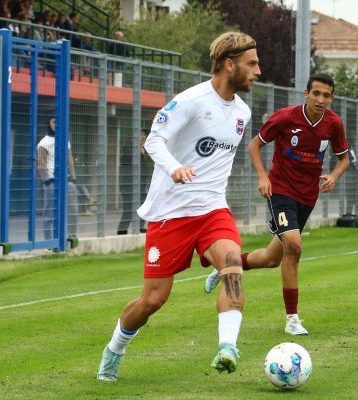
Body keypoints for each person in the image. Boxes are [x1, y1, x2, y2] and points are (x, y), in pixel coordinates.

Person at [96, 31, 260, 381]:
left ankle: (227, 348)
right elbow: (154, 140)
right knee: (153, 300)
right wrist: (175, 168)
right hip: (170, 214)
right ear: (229, 64)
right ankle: (115, 349)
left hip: (214, 210)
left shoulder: (243, 112)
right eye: (252, 63)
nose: (258, 71)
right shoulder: (191, 100)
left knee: (233, 266)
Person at [204, 73, 350, 336]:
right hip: (280, 190)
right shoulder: (285, 117)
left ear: (331, 98)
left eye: (326, 95)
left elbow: (344, 159)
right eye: (315, 93)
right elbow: (254, 145)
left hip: (307, 197)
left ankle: (230, 266)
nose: (320, 99)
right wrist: (263, 176)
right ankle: (292, 319)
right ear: (306, 94)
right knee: (294, 245)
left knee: (273, 258)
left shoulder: (333, 124)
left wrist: (333, 176)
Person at [36, 116, 79, 240]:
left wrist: (72, 177)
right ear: (49, 124)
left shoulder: (65, 140)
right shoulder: (43, 143)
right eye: (53, 121)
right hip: (51, 181)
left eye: (58, 121)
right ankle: (49, 241)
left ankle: (72, 237)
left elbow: (69, 160)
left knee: (73, 210)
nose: (56, 124)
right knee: (50, 212)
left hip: (66, 180)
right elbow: (41, 165)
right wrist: (47, 182)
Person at [117, 129, 150, 235]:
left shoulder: (144, 149)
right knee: (128, 209)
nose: (143, 137)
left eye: (144, 135)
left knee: (143, 205)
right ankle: (122, 230)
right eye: (140, 135)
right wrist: (139, 152)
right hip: (128, 185)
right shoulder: (129, 148)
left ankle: (140, 227)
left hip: (139, 185)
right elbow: (126, 160)